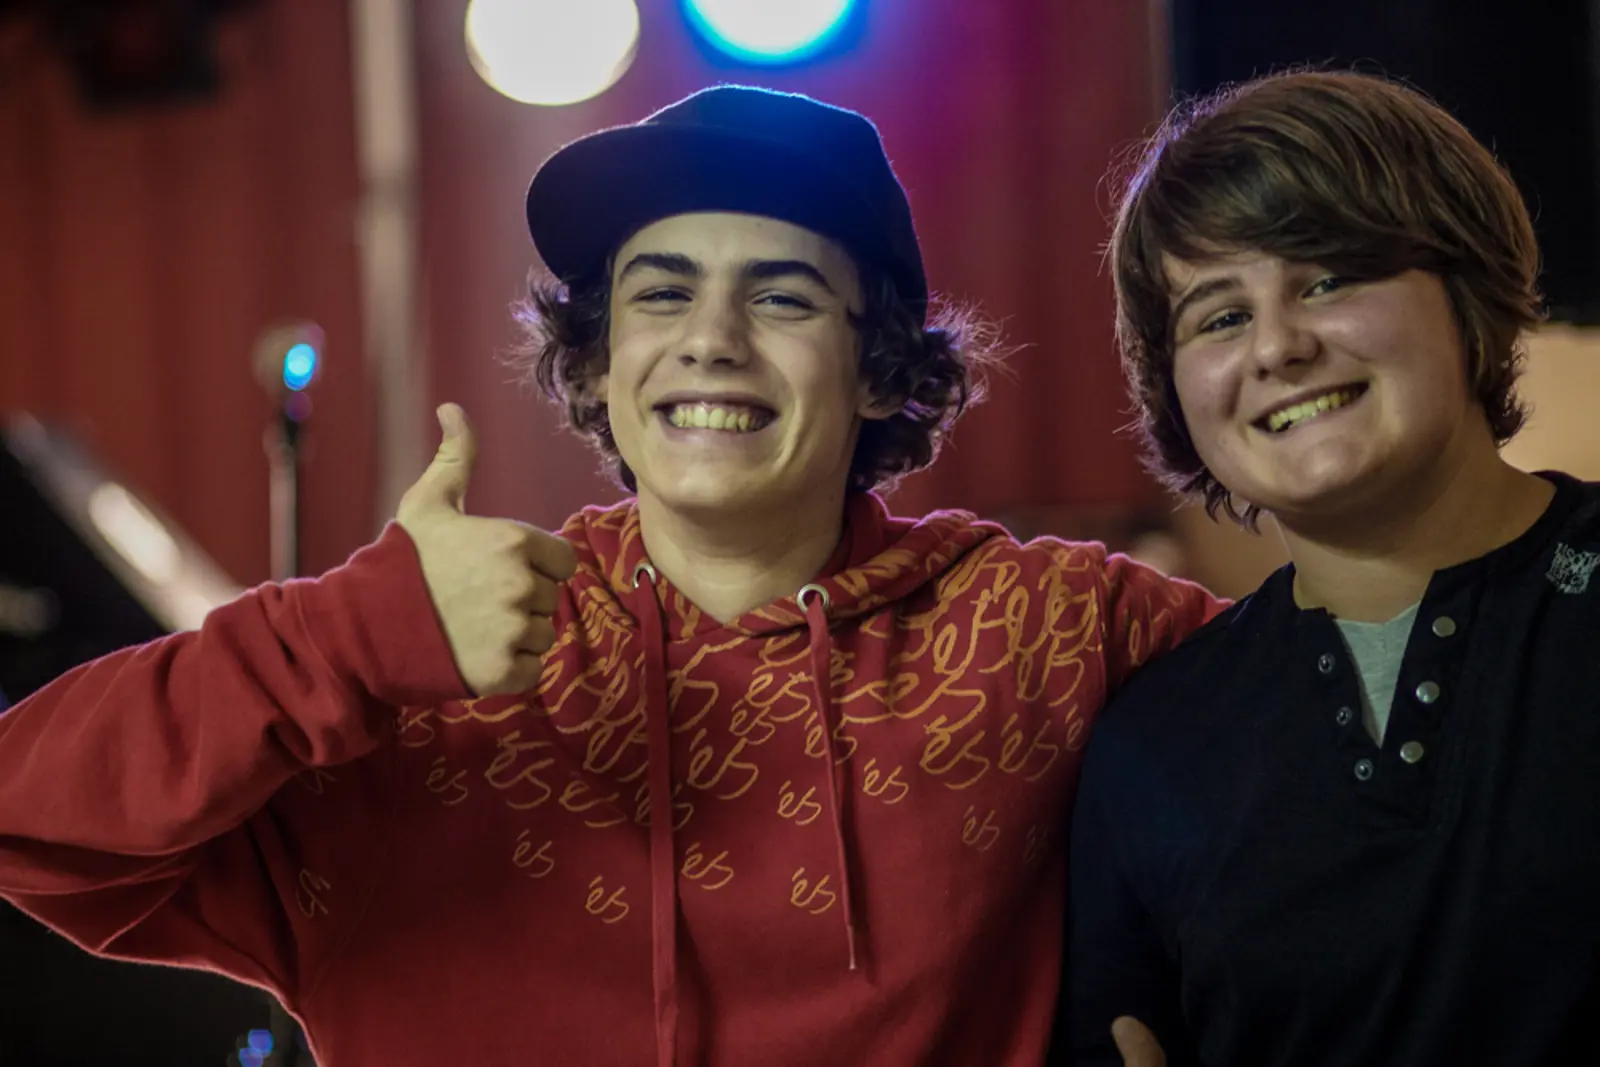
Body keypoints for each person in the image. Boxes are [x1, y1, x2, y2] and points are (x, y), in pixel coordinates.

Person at [0, 86, 1220, 1066]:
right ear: (594, 361)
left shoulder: (1045, 627)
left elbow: (1325, 734)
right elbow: (24, 816)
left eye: (781, 297)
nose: (712, 339)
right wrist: (344, 636)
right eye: (662, 293)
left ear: (879, 371)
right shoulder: (413, 676)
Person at [1059, 68, 1600, 1066]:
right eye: (1219, 317)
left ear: (1464, 294)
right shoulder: (1151, 743)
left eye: (1328, 279)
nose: (1278, 346)